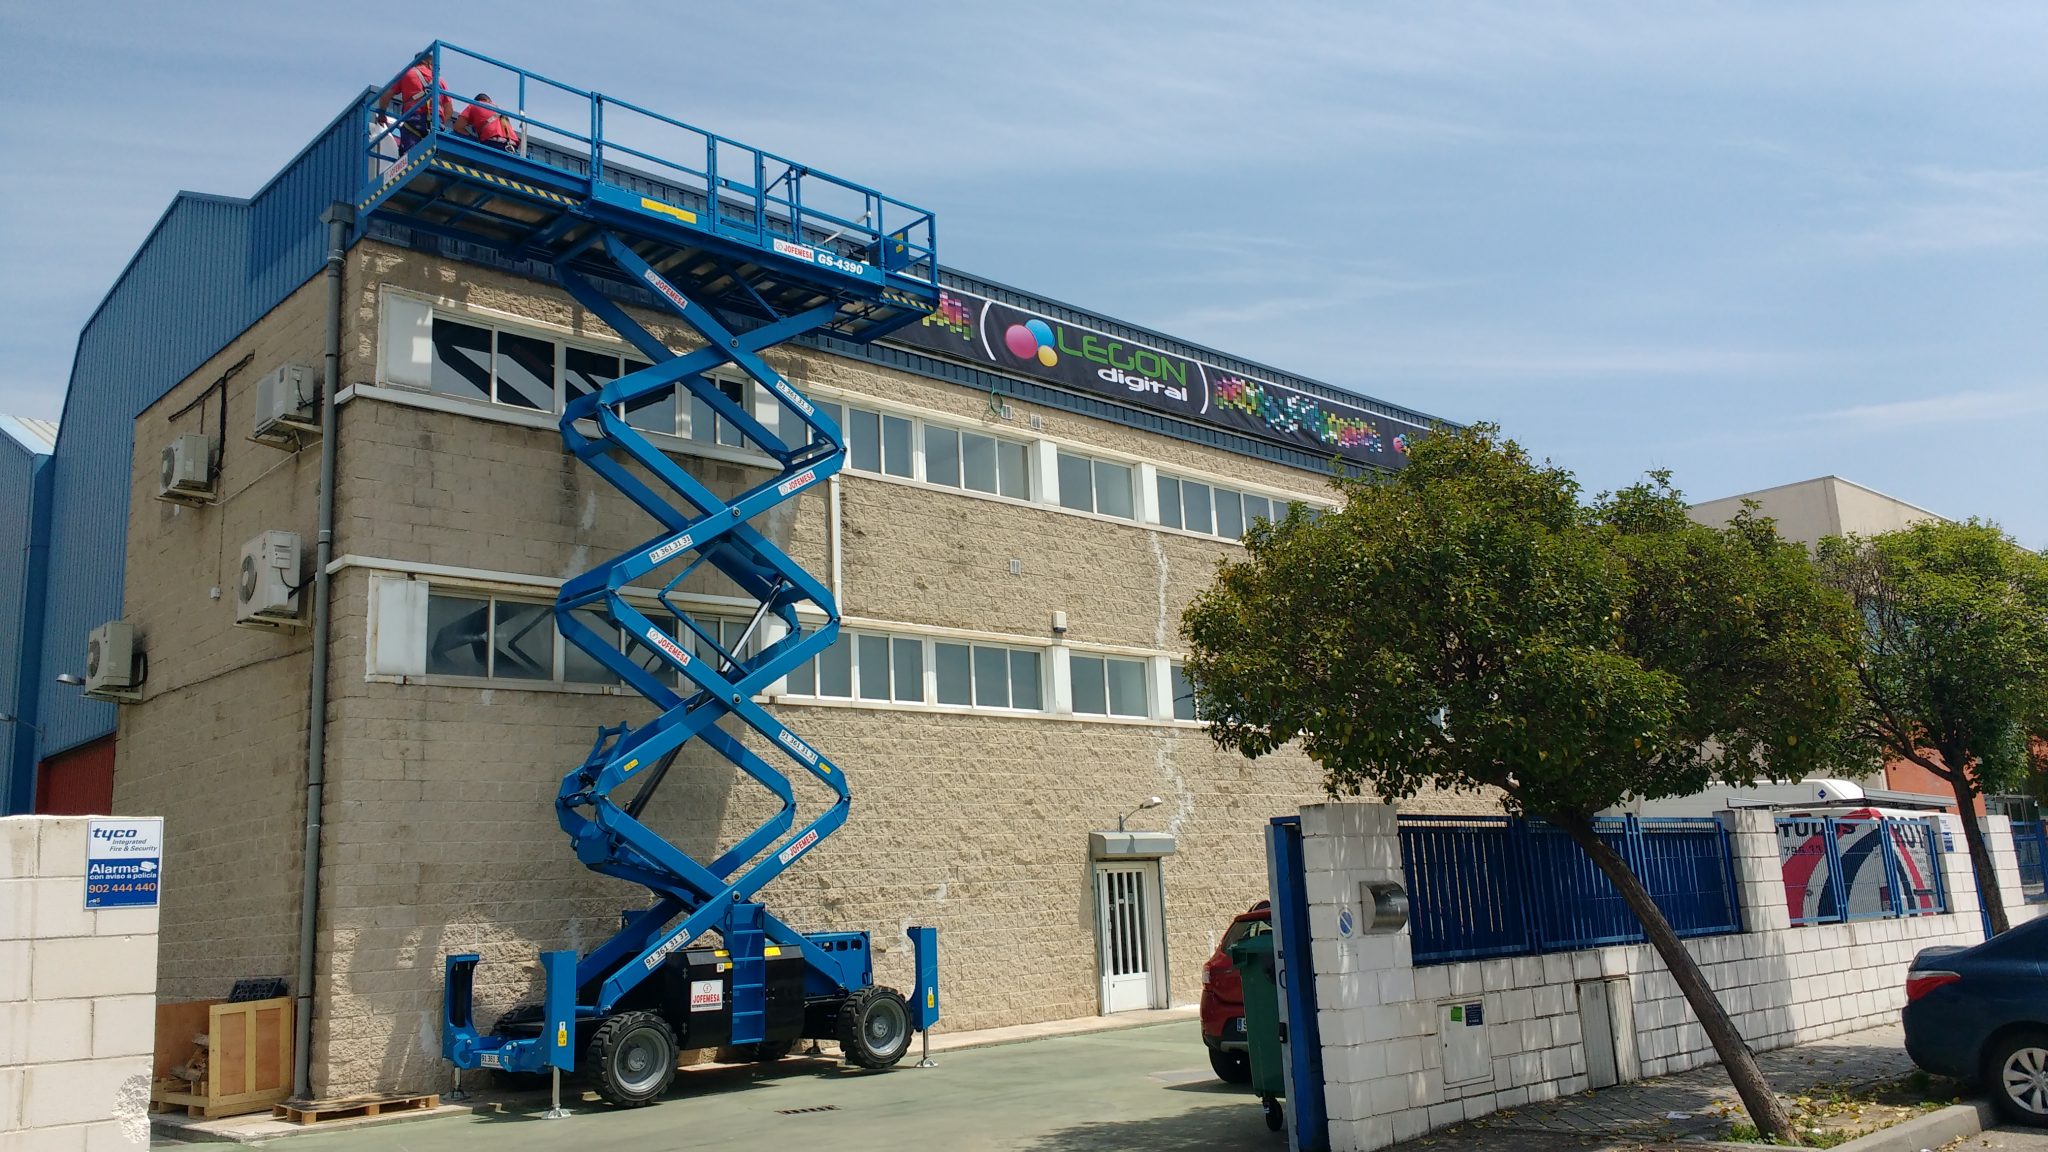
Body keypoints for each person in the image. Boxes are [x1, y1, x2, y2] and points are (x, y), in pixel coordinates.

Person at [380, 52, 454, 155]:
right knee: (432, 154)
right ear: (429, 63)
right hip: (435, 122)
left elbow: (385, 96)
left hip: (413, 119)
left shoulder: (406, 74)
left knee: (410, 155)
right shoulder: (440, 81)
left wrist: (381, 115)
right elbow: (449, 110)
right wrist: (439, 122)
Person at [455, 93, 521, 152]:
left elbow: (458, 127)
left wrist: (472, 138)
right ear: (489, 101)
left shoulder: (474, 105)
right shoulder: (501, 111)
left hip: (492, 143)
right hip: (512, 146)